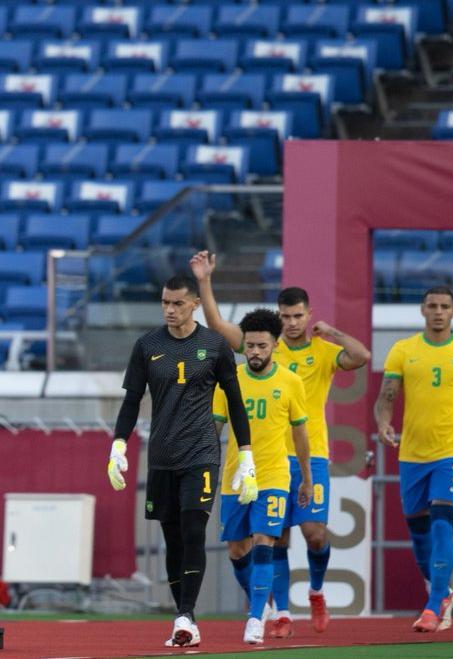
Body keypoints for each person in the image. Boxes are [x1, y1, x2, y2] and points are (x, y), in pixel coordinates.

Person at [191, 251, 370, 636]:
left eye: (298, 316)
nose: (291, 323)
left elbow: (361, 356)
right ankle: (280, 611)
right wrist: (205, 281)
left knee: (314, 533)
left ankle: (317, 592)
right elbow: (218, 325)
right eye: (285, 316)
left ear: (308, 315)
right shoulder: (264, 344)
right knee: (273, 538)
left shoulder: (321, 352)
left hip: (310, 453)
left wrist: (333, 333)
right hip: (263, 458)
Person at [107, 275, 254, 648]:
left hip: (201, 453)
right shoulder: (147, 346)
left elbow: (235, 402)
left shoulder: (215, 346)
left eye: (177, 303)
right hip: (161, 457)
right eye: (165, 303)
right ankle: (183, 616)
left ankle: (186, 615)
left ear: (194, 305)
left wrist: (247, 455)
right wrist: (118, 446)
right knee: (172, 539)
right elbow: (130, 401)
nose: (170, 310)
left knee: (193, 531)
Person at [374, 286, 453, 633]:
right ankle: (443, 591)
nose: (439, 311)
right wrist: (383, 423)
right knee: (419, 532)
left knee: (443, 520)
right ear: (422, 310)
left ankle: (435, 601)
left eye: (445, 306)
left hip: (452, 451)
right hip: (412, 453)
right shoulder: (404, 350)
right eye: (433, 306)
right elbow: (386, 397)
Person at [212, 309, 313, 645]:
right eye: (250, 346)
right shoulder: (229, 380)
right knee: (237, 551)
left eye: (262, 346)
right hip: (235, 479)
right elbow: (214, 427)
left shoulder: (290, 382)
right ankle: (263, 603)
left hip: (273, 476)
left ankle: (255, 618)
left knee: (265, 542)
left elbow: (300, 434)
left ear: (275, 345)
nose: (255, 352)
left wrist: (307, 478)